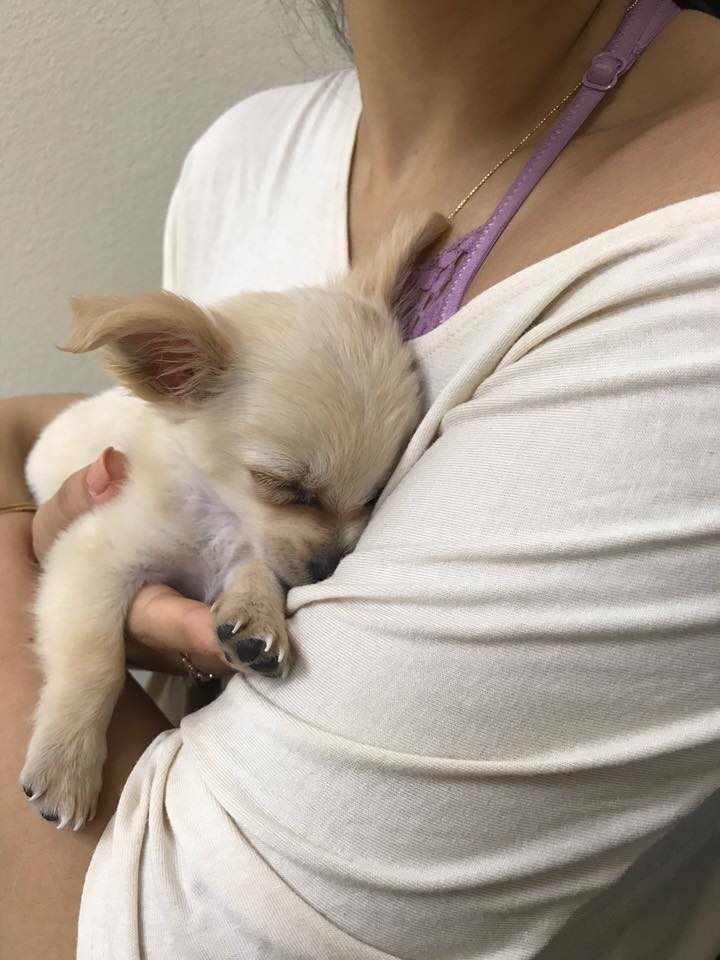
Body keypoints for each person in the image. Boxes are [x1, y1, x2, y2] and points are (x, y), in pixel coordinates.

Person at [2, 0, 719, 956]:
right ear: (166, 368)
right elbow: (112, 486)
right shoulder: (245, 152)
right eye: (292, 489)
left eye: (375, 497)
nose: (343, 542)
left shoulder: (685, 288)